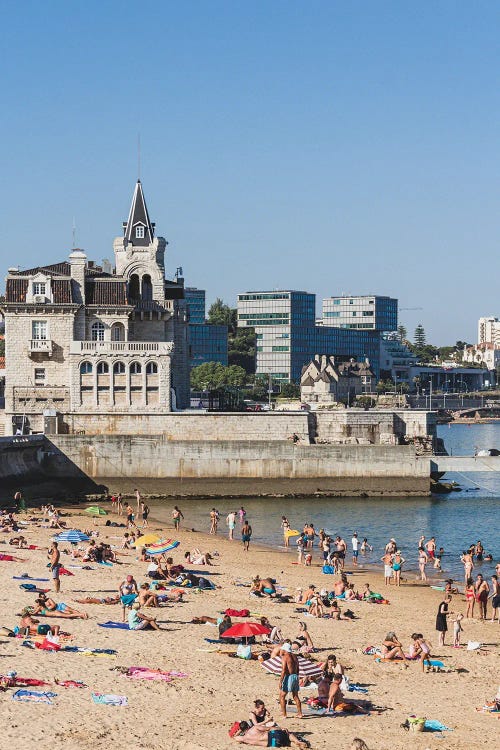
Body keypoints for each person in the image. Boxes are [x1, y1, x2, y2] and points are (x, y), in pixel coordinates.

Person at [234, 721, 308, 748]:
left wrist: (240, 730)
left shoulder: (244, 738)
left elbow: (235, 737)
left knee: (287, 743)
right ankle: (297, 742)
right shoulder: (254, 728)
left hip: (272, 744)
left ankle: (295, 745)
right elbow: (268, 729)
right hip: (272, 735)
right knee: (288, 735)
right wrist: (281, 728)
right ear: (248, 726)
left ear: (242, 730)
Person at [279, 643, 303, 719]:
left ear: (285, 649)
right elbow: (298, 669)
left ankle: (284, 714)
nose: (281, 650)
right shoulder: (295, 656)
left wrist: (280, 681)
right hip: (295, 676)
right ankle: (300, 713)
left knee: (282, 696)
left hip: (289, 677)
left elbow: (283, 670)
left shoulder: (285, 657)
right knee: (295, 696)